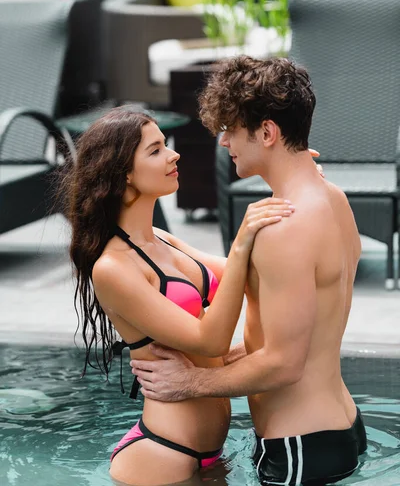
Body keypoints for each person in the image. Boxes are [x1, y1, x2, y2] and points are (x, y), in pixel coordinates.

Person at [130, 56, 368, 486]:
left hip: (298, 447)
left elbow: (283, 363)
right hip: (339, 427)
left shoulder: (285, 229)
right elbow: (299, 339)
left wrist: (192, 382)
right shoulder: (332, 198)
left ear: (268, 132)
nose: (223, 142)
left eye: (232, 129)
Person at [59, 105, 296, 486]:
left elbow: (257, 275)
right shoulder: (114, 268)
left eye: (164, 145)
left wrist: (293, 180)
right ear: (124, 176)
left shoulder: (165, 241)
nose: (174, 154)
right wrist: (242, 241)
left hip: (212, 455)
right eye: (155, 151)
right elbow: (211, 338)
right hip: (161, 455)